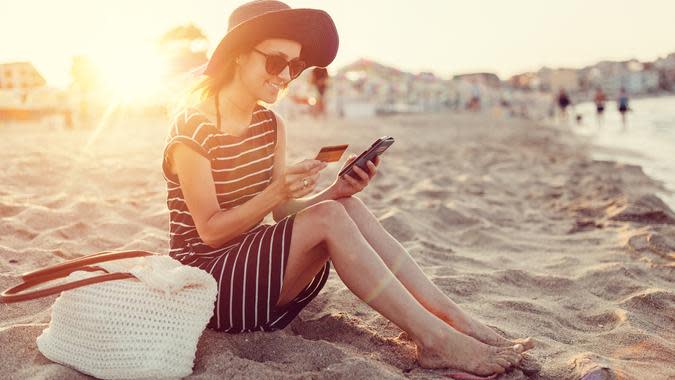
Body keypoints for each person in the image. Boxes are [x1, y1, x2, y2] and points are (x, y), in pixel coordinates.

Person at [162, 1, 532, 376]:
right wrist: (277, 193)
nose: (285, 76)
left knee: (346, 208)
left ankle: (453, 319)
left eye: (294, 67)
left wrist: (336, 190)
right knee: (328, 217)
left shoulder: (271, 123)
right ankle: (435, 341)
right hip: (207, 284)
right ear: (239, 55)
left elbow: (281, 215)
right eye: (276, 62)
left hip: (256, 270)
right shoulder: (194, 127)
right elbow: (209, 231)